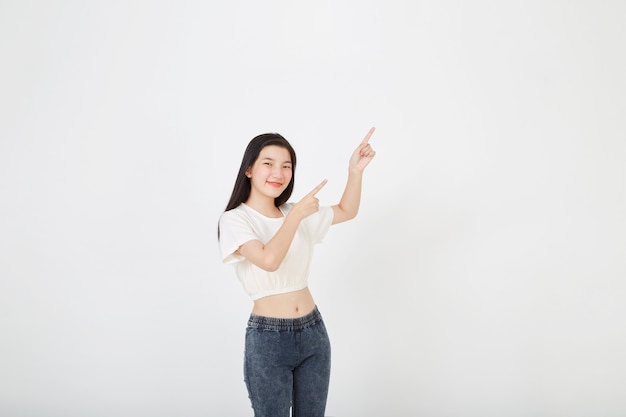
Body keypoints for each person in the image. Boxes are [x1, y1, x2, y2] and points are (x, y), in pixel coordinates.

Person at [217, 127, 376, 417]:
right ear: (249, 169)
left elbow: (346, 210)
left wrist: (355, 172)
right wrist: (296, 215)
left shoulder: (295, 211)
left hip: (313, 331)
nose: (278, 172)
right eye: (268, 163)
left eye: (286, 166)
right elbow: (268, 259)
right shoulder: (235, 220)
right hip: (268, 340)